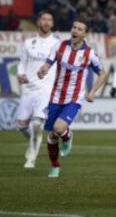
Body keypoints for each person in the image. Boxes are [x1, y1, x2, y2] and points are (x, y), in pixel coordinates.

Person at [37, 17, 107, 178]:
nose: (75, 31)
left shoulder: (89, 54)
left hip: (74, 99)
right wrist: (43, 70)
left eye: (80, 29)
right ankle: (55, 166)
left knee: (59, 128)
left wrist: (92, 92)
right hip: (55, 98)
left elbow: (102, 74)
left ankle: (67, 136)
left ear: (85, 34)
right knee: (52, 136)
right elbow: (47, 64)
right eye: (74, 27)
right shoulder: (59, 46)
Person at [16, 10, 59, 168]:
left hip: (46, 90)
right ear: (38, 22)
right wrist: (20, 74)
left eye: (49, 19)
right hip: (28, 89)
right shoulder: (29, 43)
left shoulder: (57, 44)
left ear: (52, 23)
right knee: (21, 125)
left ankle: (31, 158)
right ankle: (34, 140)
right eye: (44, 19)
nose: (46, 22)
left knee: (37, 124)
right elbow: (22, 62)